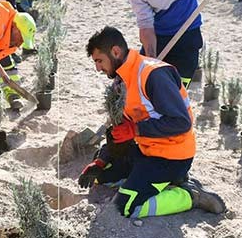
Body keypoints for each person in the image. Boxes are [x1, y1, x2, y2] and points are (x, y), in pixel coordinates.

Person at [80, 26, 226, 218]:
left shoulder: (153, 75)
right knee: (100, 176)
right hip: (145, 150)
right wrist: (101, 160)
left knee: (127, 207)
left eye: (99, 61)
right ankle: (166, 182)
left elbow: (181, 123)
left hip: (171, 157)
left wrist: (135, 129)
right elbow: (120, 132)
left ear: (115, 52)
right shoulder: (120, 82)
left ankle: (191, 196)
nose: (98, 68)